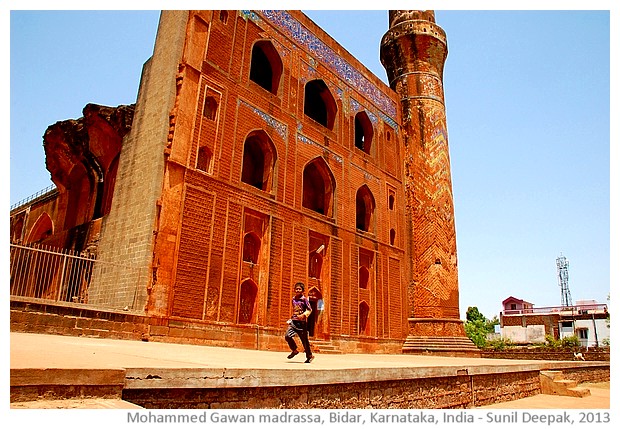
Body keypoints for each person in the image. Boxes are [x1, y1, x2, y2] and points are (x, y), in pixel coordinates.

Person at [285, 282, 314, 363]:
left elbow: (309, 309)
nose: (298, 290)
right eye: (296, 289)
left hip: (302, 324)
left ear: (302, 290)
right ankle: (294, 350)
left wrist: (303, 315)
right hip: (294, 322)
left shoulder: (304, 299)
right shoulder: (293, 299)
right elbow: (295, 309)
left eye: (299, 289)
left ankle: (309, 356)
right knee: (287, 336)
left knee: (304, 341)